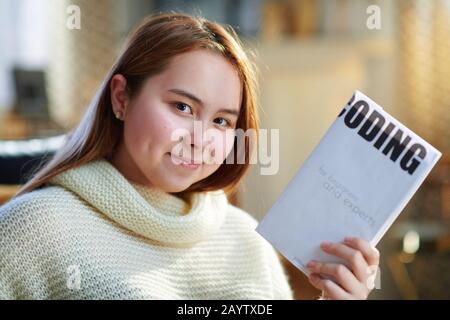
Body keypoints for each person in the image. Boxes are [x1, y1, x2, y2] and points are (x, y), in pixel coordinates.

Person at [0, 12, 379, 300]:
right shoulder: (35, 229)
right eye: (182, 107)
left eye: (221, 121)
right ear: (121, 98)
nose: (200, 139)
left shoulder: (245, 237)